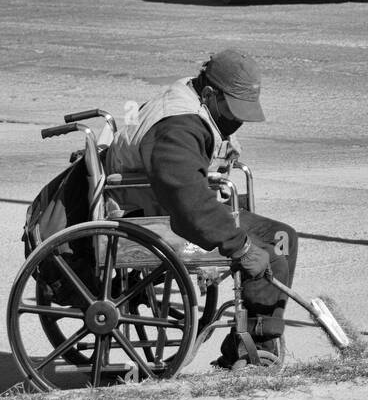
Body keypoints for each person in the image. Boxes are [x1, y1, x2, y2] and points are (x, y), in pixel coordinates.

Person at [105, 48, 298, 366]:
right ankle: (256, 347)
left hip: (169, 205)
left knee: (282, 238)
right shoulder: (178, 125)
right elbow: (187, 200)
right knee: (270, 250)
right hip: (151, 215)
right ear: (209, 93)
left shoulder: (192, 95)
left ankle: (254, 338)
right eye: (233, 110)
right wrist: (242, 246)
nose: (237, 120)